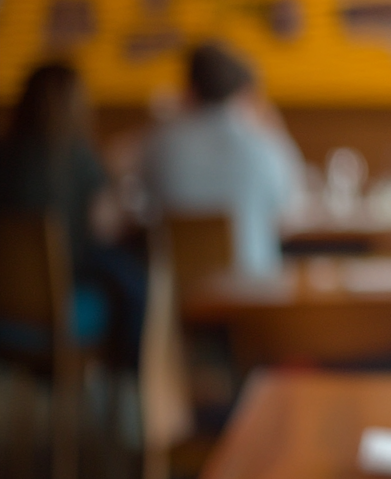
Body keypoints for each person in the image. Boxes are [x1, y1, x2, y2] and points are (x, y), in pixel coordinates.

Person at [0, 62, 146, 365]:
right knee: (137, 286)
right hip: (63, 301)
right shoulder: (81, 156)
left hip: (6, 303)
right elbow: (104, 228)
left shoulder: (6, 153)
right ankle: (129, 384)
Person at [141, 42, 303, 278]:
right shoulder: (265, 147)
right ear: (240, 91)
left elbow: (141, 199)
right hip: (254, 297)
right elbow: (290, 215)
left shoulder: (159, 145)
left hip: (181, 298)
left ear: (189, 89)